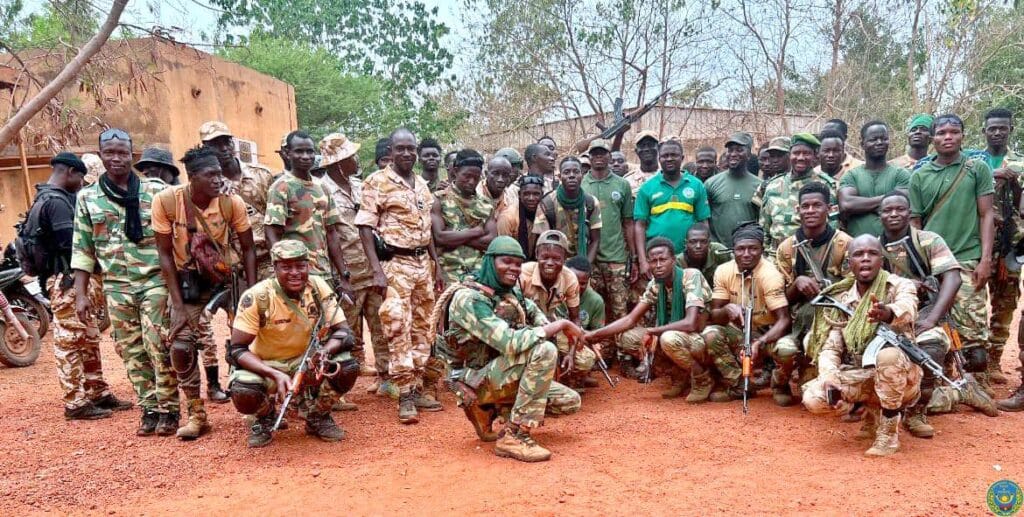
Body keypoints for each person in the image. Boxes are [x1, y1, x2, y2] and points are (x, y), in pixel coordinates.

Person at [434, 236, 582, 462]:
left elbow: (533, 313)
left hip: (498, 372)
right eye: (506, 261)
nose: (514, 268)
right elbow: (510, 342)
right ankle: (515, 434)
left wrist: (549, 326)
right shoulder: (469, 298)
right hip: (471, 379)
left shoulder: (508, 292)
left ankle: (488, 410)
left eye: (518, 263)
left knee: (569, 400)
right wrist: (560, 325)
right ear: (490, 261)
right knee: (544, 351)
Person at [72, 128, 179, 436]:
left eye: (122, 153)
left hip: (154, 281)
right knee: (131, 350)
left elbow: (177, 237)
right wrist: (81, 294)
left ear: (132, 155)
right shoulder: (87, 198)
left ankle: (169, 409)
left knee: (158, 344)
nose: (116, 158)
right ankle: (149, 408)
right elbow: (82, 248)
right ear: (101, 155)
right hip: (116, 286)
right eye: (110, 153)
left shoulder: (156, 191)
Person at [152, 146, 257, 440]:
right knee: (181, 346)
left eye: (219, 174)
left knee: (248, 341)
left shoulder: (230, 202)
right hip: (189, 282)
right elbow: (164, 254)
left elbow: (248, 248)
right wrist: (177, 304)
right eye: (210, 175)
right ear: (192, 176)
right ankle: (196, 414)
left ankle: (255, 407)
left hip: (226, 277)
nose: (217, 180)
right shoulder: (167, 201)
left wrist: (251, 294)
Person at [876, 192, 996, 428]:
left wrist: (932, 319)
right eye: (887, 210)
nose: (894, 214)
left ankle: (916, 412)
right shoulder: (872, 246)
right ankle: (956, 393)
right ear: (879, 215)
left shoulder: (928, 241)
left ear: (909, 213)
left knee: (930, 348)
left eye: (900, 209)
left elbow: (953, 278)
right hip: (888, 315)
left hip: (925, 313)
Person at [227, 240, 358, 448]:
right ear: (275, 268)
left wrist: (324, 352)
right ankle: (265, 417)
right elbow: (236, 349)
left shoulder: (317, 287)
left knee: (346, 367)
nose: (295, 273)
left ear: (308, 266)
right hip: (267, 365)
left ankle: (317, 416)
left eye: (300, 266)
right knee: (244, 390)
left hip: (307, 361)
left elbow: (344, 333)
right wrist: (274, 374)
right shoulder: (258, 296)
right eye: (286, 267)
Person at [800, 235, 922, 457]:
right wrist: (830, 379)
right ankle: (868, 411)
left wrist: (887, 313)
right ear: (849, 263)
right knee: (814, 397)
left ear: (882, 260)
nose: (865, 259)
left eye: (872, 254)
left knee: (888, 356)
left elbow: (908, 308)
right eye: (858, 254)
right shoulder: (842, 296)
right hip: (864, 373)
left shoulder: (898, 285)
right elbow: (831, 347)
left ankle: (888, 433)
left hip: (903, 377)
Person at [356, 127, 446, 424]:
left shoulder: (421, 184)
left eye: (411, 148)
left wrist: (436, 263)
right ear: (391, 152)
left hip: (422, 265)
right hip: (395, 264)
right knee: (397, 325)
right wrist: (376, 270)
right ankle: (404, 393)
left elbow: (426, 228)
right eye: (400, 148)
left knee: (423, 326)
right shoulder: (377, 182)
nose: (407, 153)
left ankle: (417, 385)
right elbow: (365, 227)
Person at [36, 152, 131, 420]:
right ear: (70, 172)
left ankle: (96, 391)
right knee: (69, 341)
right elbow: (76, 246)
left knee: (88, 337)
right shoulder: (56, 203)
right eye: (81, 179)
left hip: (76, 281)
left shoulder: (55, 198)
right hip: (67, 281)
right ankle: (75, 402)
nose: (82, 185)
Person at [909, 114, 995, 392]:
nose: (948, 137)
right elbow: (915, 224)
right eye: (941, 132)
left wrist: (985, 259)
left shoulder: (977, 169)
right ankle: (943, 387)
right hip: (933, 265)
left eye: (954, 132)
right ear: (932, 138)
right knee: (935, 328)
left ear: (963, 135)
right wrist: (918, 268)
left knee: (974, 337)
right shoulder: (920, 175)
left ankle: (977, 387)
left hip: (968, 259)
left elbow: (986, 214)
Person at [200, 121, 275, 402]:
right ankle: (244, 385)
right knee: (241, 326)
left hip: (268, 261)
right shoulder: (208, 185)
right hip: (233, 269)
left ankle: (278, 379)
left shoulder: (261, 175)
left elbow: (278, 218)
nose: (223, 148)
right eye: (214, 145)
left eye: (226, 142)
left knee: (275, 321)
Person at [589, 237, 714, 400]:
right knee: (627, 338)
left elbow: (690, 324)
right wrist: (595, 334)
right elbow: (630, 320)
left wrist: (653, 331)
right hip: (676, 335)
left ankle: (703, 378)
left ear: (673, 260)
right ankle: (679, 376)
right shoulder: (656, 284)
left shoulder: (690, 276)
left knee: (667, 338)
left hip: (701, 338)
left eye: (663, 259)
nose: (658, 265)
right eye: (654, 261)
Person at [318, 133, 390, 396]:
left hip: (372, 269)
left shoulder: (360, 186)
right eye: (351, 156)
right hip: (346, 273)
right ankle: (336, 390)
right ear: (338, 163)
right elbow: (328, 235)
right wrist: (340, 277)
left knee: (381, 326)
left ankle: (385, 377)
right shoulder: (322, 190)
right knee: (343, 332)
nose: (356, 159)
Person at [704, 223, 798, 405]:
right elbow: (714, 315)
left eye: (753, 248)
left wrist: (759, 343)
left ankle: (780, 385)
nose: (746, 254)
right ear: (733, 250)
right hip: (740, 332)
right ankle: (740, 385)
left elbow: (784, 320)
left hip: (769, 334)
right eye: (740, 249)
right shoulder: (723, 271)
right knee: (710, 334)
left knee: (787, 349)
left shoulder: (770, 274)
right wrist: (726, 310)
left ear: (762, 249)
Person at [775, 183, 851, 385]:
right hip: (797, 322)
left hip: (836, 321)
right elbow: (779, 299)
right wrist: (797, 284)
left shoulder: (844, 244)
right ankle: (781, 378)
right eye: (805, 206)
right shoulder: (786, 248)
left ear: (829, 208)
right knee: (784, 350)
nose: (810, 210)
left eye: (817, 205)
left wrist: (829, 287)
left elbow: (853, 290)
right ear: (797, 210)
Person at [265, 131, 352, 298]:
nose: (305, 156)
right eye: (299, 151)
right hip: (295, 276)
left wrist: (343, 275)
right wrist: (283, 271)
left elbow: (331, 233)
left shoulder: (323, 187)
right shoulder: (281, 188)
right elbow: (271, 234)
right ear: (287, 153)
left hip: (323, 275)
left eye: (310, 151)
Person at [517, 230, 596, 387]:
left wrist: (571, 353)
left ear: (565, 259)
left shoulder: (570, 278)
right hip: (522, 330)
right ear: (536, 255)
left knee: (585, 359)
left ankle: (562, 379)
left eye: (556, 258)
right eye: (545, 257)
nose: (550, 263)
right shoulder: (523, 274)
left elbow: (575, 318)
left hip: (551, 327)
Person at [980, 108, 1023, 387]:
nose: (997, 132)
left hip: (1010, 244)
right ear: (984, 130)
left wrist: (1015, 183)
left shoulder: (1020, 164)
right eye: (992, 128)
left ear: (1010, 130)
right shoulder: (973, 161)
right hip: (977, 241)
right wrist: (992, 174)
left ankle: (994, 358)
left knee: (1005, 302)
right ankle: (973, 363)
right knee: (971, 303)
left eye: (1002, 128)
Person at [754, 133, 838, 257]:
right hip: (775, 255)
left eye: (806, 153)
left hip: (810, 256)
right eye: (796, 153)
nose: (800, 158)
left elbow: (833, 228)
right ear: (790, 155)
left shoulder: (825, 186)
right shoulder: (773, 185)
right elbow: (764, 227)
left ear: (814, 156)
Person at [634, 139, 710, 275]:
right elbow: (640, 226)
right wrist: (642, 260)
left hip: (689, 257)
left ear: (682, 158)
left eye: (674, 155)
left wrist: (705, 253)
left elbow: (703, 222)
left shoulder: (696, 185)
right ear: (659, 159)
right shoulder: (647, 187)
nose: (669, 159)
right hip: (658, 258)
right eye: (665, 156)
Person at [582, 139, 635, 326]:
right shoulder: (581, 183)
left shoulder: (622, 184)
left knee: (620, 310)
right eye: (594, 153)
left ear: (609, 156)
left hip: (616, 257)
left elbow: (628, 222)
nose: (598, 157)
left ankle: (622, 344)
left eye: (602, 153)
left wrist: (633, 256)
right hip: (590, 258)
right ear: (589, 157)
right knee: (592, 310)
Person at [431, 149, 497, 284]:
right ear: (455, 171)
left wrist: (454, 235)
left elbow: (491, 242)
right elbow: (439, 237)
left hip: (480, 273)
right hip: (448, 272)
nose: (471, 181)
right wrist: (476, 232)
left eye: (476, 177)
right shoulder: (438, 199)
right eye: (467, 176)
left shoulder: (486, 204)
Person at [838, 121, 911, 238]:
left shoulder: (901, 174)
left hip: (895, 243)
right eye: (873, 139)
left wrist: (861, 205)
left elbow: (900, 203)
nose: (880, 142)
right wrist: (886, 201)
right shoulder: (851, 176)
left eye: (884, 139)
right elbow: (846, 205)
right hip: (858, 245)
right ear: (862, 144)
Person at [532, 156, 602, 263]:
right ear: (560, 176)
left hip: (582, 261)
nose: (571, 176)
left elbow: (595, 240)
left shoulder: (591, 202)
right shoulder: (547, 203)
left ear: (582, 175)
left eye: (576, 172)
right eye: (566, 172)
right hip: (556, 262)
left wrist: (585, 266)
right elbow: (544, 243)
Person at [705, 132, 761, 244]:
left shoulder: (759, 185)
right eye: (730, 150)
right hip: (718, 250)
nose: (733, 154)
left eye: (739, 150)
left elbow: (762, 220)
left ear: (749, 155)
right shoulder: (711, 184)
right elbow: (704, 218)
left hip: (747, 249)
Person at [499, 175, 545, 255]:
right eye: (526, 194)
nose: (531, 198)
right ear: (519, 194)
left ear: (542, 195)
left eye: (536, 194)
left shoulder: (544, 214)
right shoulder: (508, 217)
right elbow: (503, 250)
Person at [566, 256, 605, 333]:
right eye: (573, 281)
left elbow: (598, 334)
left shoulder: (596, 301)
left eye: (582, 283)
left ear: (588, 281)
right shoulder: (554, 294)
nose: (577, 286)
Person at [478, 156, 517, 228]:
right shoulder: (475, 194)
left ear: (509, 178)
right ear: (486, 174)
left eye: (505, 175)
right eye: (496, 173)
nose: (500, 179)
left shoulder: (512, 197)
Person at [623, 130, 660, 196]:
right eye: (642, 146)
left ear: (659, 148)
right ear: (636, 151)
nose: (646, 149)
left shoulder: (670, 176)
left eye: (650, 145)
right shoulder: (627, 181)